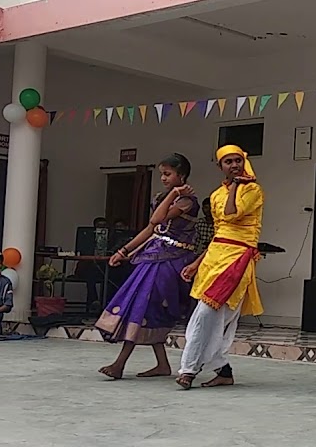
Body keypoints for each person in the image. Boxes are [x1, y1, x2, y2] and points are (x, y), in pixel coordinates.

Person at [96, 153, 200, 380]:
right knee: (147, 308)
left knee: (143, 306)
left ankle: (119, 364)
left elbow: (157, 220)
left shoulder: (187, 201)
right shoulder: (162, 197)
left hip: (171, 261)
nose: (163, 178)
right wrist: (123, 251)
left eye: (168, 174)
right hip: (152, 257)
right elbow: (150, 230)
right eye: (162, 174)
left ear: (181, 176)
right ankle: (161, 364)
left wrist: (173, 194)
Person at [176, 145, 264, 389]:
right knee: (212, 318)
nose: (234, 165)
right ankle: (223, 371)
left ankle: (188, 370)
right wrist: (196, 263)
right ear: (220, 167)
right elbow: (218, 234)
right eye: (228, 162)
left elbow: (232, 213)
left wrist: (235, 185)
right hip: (214, 258)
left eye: (238, 161)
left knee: (207, 314)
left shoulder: (253, 190)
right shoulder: (215, 195)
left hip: (237, 260)